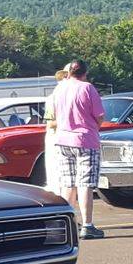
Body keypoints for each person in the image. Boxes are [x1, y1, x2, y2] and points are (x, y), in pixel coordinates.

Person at [54, 59, 105, 239]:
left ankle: (68, 224)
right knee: (85, 184)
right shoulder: (87, 88)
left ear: (69, 72)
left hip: (62, 139)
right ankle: (88, 225)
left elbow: (54, 114)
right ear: (85, 73)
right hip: (85, 139)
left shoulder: (59, 88)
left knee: (68, 183)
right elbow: (99, 116)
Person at [42, 63, 70, 196]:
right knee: (58, 177)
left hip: (65, 139)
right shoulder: (53, 97)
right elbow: (50, 124)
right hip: (56, 139)